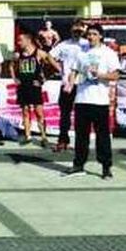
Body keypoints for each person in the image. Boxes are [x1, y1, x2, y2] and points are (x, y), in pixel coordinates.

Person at [62, 23, 120, 178]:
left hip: (100, 101)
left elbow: (115, 75)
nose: (91, 37)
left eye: (94, 34)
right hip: (82, 99)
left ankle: (106, 167)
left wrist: (100, 75)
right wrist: (70, 83)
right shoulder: (82, 52)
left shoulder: (108, 53)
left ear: (100, 36)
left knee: (102, 136)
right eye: (89, 34)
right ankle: (78, 164)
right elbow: (74, 70)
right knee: (81, 136)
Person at [10, 30, 58, 147]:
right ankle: (27, 136)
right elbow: (11, 66)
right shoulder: (18, 54)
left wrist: (44, 79)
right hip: (23, 87)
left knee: (39, 112)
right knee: (25, 111)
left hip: (35, 86)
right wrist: (14, 78)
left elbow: (55, 66)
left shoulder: (39, 53)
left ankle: (43, 136)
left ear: (28, 40)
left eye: (20, 40)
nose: (18, 43)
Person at [49, 19, 89, 153]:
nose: (77, 31)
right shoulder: (64, 44)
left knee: (81, 115)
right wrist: (60, 69)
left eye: (80, 28)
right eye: (75, 28)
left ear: (84, 30)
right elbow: (50, 56)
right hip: (66, 83)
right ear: (71, 29)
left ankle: (80, 143)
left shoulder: (87, 44)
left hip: (83, 84)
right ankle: (62, 141)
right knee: (65, 114)